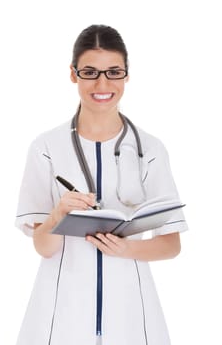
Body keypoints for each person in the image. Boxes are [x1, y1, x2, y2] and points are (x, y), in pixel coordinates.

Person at [15, 24, 188, 345]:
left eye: (113, 72)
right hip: (60, 310)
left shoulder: (149, 149)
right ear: (73, 74)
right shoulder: (46, 148)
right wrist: (57, 216)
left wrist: (127, 249)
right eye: (90, 72)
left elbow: (170, 245)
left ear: (126, 75)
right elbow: (43, 248)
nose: (102, 83)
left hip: (132, 310)